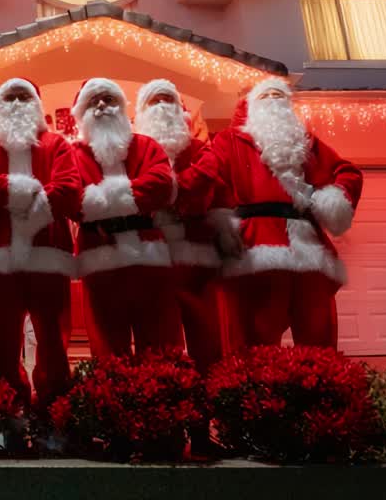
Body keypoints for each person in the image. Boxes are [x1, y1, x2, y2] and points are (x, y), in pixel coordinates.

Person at [177, 77, 363, 349]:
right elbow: (205, 174)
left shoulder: (305, 142)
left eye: (279, 96)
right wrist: (175, 189)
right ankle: (257, 377)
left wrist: (334, 198)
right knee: (256, 333)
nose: (274, 100)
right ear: (251, 106)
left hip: (308, 245)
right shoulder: (230, 141)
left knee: (316, 328)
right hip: (255, 244)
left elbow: (346, 172)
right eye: (266, 96)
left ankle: (321, 375)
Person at [0, 77, 82, 408]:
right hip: (0, 257)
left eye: (23, 97)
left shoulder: (57, 146)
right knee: (2, 338)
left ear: (37, 106)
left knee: (53, 338)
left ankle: (54, 406)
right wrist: (29, 190)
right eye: (10, 98)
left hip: (47, 254)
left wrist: (8, 194)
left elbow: (69, 188)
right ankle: (9, 407)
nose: (16, 104)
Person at [70, 78, 177, 358]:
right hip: (100, 257)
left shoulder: (147, 146)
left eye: (109, 99)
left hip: (148, 257)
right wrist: (132, 198)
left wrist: (99, 200)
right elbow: (71, 198)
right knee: (107, 346)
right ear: (82, 112)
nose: (102, 105)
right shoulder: (72, 155)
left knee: (157, 343)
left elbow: (161, 185)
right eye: (93, 101)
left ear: (121, 106)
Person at [134, 79, 235, 372]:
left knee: (205, 330)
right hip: (152, 254)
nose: (162, 107)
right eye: (155, 101)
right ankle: (164, 389)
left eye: (168, 100)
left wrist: (163, 190)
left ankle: (209, 384)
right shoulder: (134, 153)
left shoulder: (200, 149)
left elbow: (206, 176)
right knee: (157, 334)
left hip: (196, 252)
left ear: (181, 110)